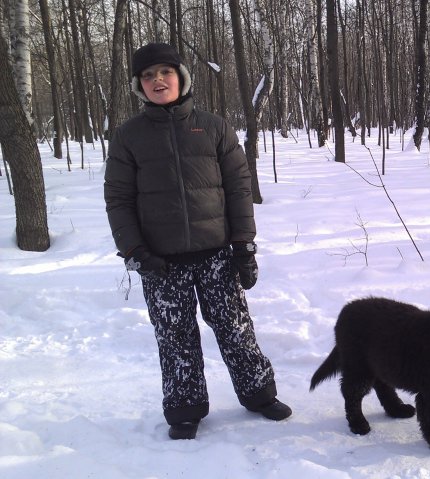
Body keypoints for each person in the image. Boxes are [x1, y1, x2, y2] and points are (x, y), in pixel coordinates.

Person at [104, 42, 291, 440]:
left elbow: (239, 189)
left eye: (165, 72)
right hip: (161, 261)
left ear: (181, 77)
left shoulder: (214, 127)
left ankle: (259, 394)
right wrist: (135, 251)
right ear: (139, 85)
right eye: (148, 75)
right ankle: (185, 408)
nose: (158, 80)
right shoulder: (128, 136)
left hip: (217, 254)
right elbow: (118, 199)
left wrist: (244, 245)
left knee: (236, 329)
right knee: (174, 336)